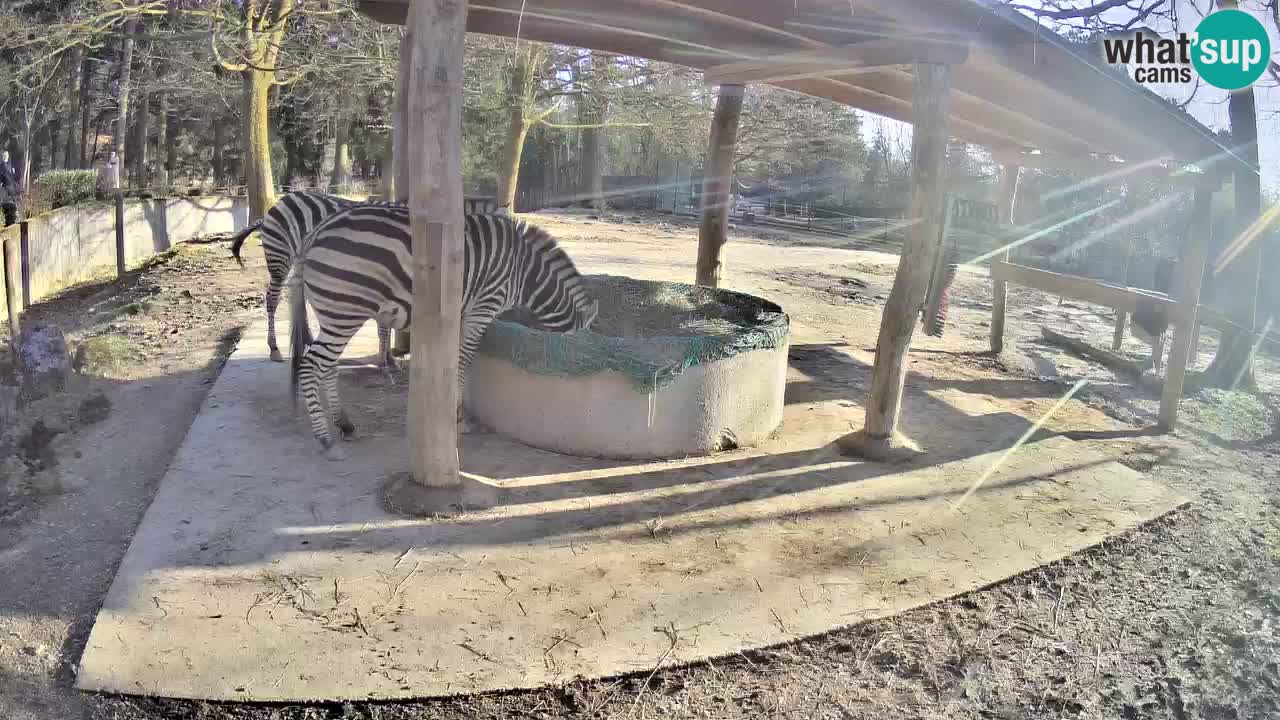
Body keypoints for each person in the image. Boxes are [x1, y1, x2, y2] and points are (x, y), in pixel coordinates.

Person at [0, 150, 19, 228]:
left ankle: (13, 220)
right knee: (7, 206)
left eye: (7, 155)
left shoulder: (10, 165)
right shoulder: (1, 166)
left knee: (13, 205)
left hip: (12, 189)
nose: (6, 156)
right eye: (5, 155)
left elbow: (14, 177)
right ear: (2, 156)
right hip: (6, 189)